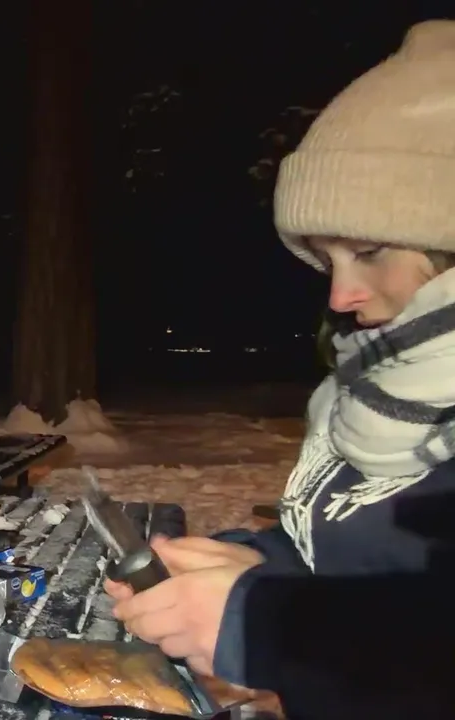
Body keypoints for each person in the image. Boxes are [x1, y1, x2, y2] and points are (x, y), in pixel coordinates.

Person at [105, 18, 455, 716]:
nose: (340, 296)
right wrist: (261, 564)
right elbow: (369, 569)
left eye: (370, 251)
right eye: (327, 260)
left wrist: (264, 624)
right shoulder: (375, 385)